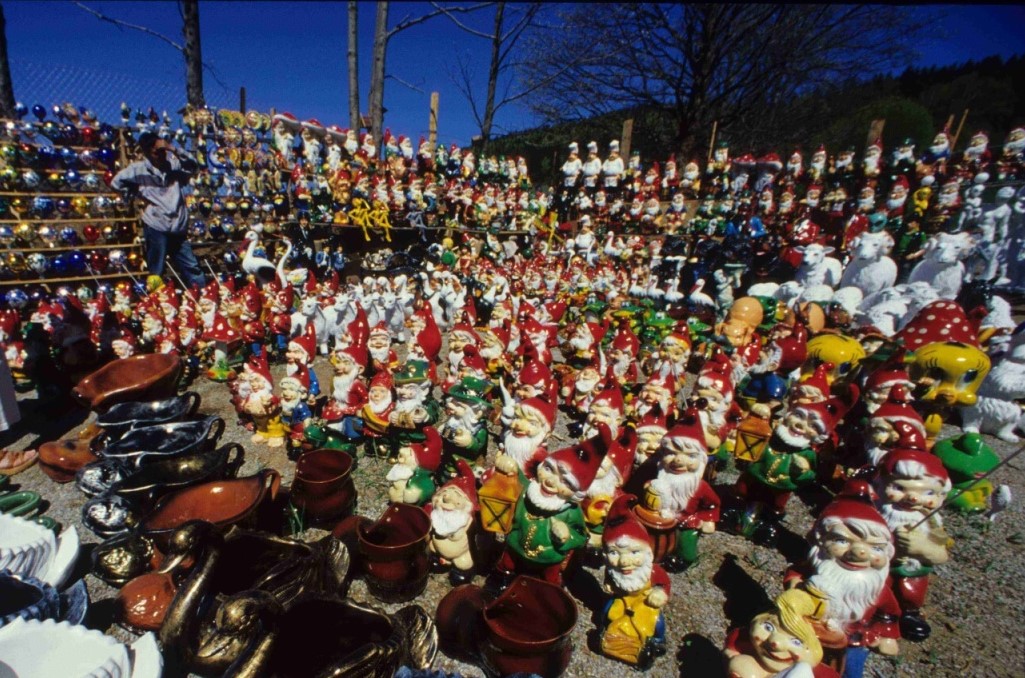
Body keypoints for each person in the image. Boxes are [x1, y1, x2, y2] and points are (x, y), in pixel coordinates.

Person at [111, 132, 206, 289]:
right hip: (156, 224)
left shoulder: (174, 165)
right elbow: (116, 183)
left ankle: (202, 295)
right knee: (156, 270)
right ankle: (157, 299)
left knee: (192, 267)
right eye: (156, 152)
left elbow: (194, 165)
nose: (161, 156)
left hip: (178, 225)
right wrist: (136, 193)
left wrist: (173, 149)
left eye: (163, 151)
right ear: (147, 152)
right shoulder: (137, 170)